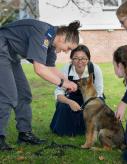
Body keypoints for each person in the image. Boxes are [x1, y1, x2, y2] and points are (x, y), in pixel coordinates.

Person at [0, 19, 80, 150]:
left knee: (24, 94)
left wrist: (67, 81)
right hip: (2, 48)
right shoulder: (44, 34)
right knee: (8, 95)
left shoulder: (51, 44)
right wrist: (62, 84)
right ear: (63, 37)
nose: (66, 52)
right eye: (68, 48)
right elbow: (40, 69)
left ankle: (25, 134)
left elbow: (50, 67)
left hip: (11, 55)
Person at [50, 44, 104, 136]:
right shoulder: (66, 69)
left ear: (88, 59)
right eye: (76, 58)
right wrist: (70, 102)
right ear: (71, 59)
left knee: (99, 107)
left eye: (83, 58)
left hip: (92, 99)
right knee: (63, 107)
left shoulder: (95, 69)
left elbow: (99, 92)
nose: (80, 62)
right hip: (71, 98)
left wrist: (86, 105)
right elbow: (59, 93)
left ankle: (91, 129)